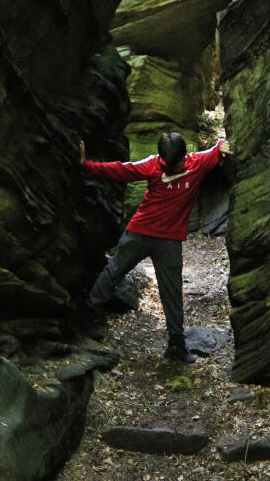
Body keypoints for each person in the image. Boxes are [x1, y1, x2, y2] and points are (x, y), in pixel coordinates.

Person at [80, 130, 229, 363]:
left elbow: (217, 149)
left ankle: (176, 345)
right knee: (113, 272)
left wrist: (221, 145)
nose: (172, 169)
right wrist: (87, 166)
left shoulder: (197, 163)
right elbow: (120, 170)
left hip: (169, 241)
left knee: (172, 293)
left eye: (176, 164)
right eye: (168, 165)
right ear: (161, 158)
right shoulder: (152, 166)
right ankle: (86, 316)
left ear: (185, 155)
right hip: (139, 233)